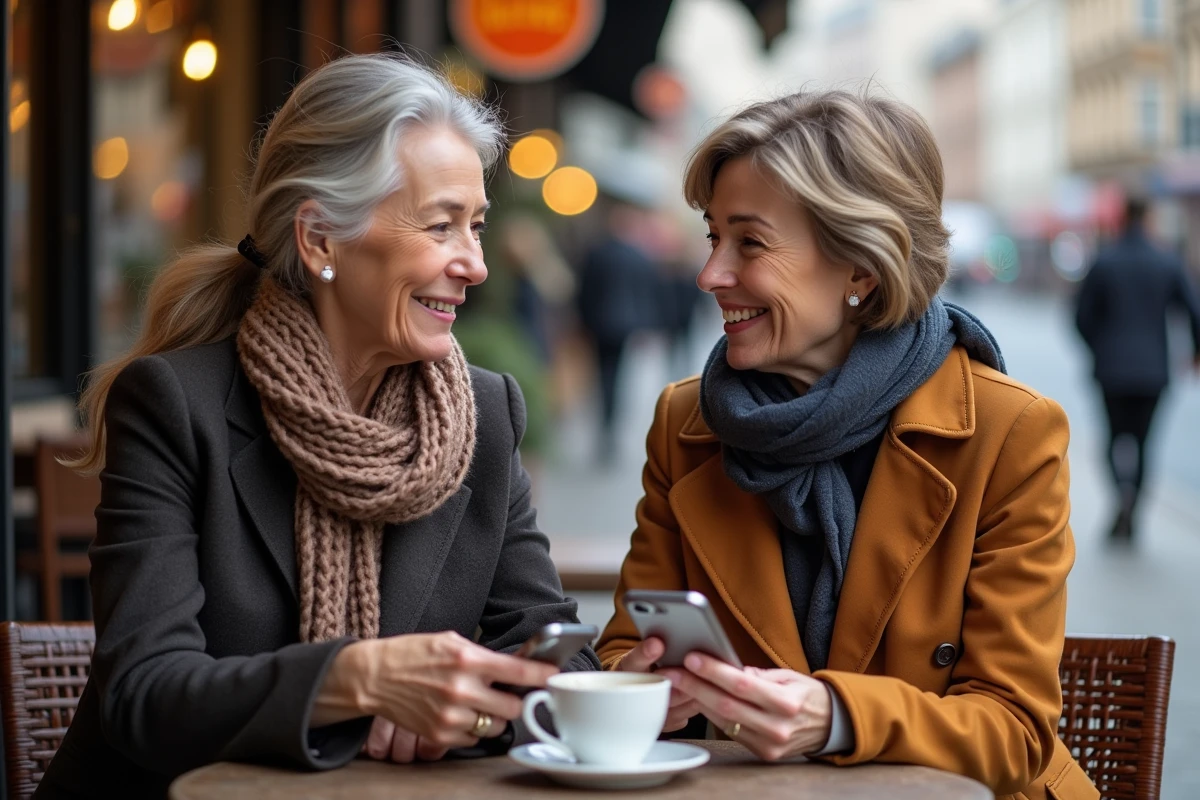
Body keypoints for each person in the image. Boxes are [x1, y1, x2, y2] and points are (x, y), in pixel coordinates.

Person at [37, 55, 598, 799]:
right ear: (321, 239)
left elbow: (561, 662)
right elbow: (146, 696)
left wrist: (466, 714)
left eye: (477, 226)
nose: (475, 264)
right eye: (441, 226)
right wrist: (357, 681)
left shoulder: (485, 415)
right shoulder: (175, 405)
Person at [596, 91, 1098, 800]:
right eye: (712, 238)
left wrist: (836, 718)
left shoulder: (1010, 432)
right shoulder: (687, 423)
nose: (710, 275)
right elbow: (623, 647)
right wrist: (642, 689)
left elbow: (1013, 731)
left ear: (862, 268)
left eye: (750, 243)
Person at [1075, 197, 1200, 541]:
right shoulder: (1167, 261)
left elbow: (1081, 317)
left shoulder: (1104, 261)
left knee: (1112, 440)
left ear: (1122, 217)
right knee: (1144, 444)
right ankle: (1134, 509)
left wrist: (1100, 348)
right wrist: (1195, 352)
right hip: (1153, 371)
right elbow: (1193, 311)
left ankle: (1121, 497)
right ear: (1148, 218)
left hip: (1111, 370)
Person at [577, 201, 665, 465]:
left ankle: (606, 422)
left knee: (603, 374)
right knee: (618, 375)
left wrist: (582, 322)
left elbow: (585, 291)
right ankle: (611, 424)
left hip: (600, 324)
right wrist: (646, 325)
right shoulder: (639, 256)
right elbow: (648, 294)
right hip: (626, 325)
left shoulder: (598, 252)